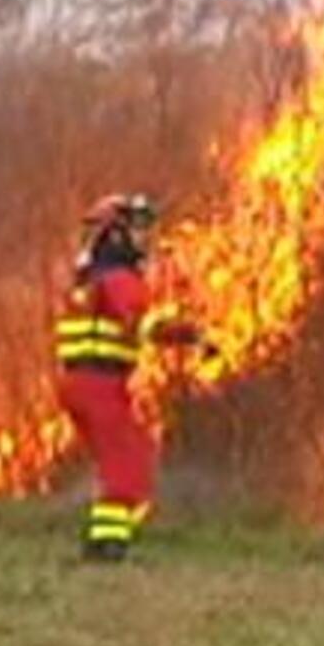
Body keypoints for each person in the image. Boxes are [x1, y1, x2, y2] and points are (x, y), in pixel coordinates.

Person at [55, 193, 212, 562]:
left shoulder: (89, 280)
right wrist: (189, 335)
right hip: (100, 385)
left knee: (120, 459)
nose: (146, 238)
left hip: (78, 383)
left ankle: (102, 539)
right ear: (115, 235)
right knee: (130, 463)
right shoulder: (121, 280)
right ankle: (109, 546)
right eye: (138, 229)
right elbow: (142, 323)